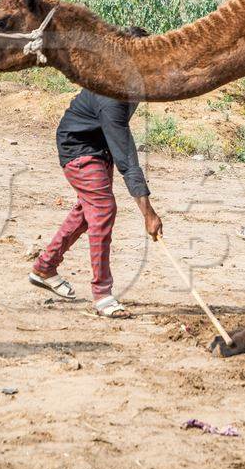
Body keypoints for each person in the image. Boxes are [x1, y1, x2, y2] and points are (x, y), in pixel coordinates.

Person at [31, 88, 162, 318]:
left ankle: (45, 266)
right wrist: (148, 214)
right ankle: (102, 294)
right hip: (79, 148)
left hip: (99, 145)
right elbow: (128, 161)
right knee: (103, 209)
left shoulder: (130, 84)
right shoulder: (112, 100)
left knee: (87, 211)